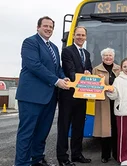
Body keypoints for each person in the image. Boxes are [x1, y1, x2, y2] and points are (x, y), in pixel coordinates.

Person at [15, 16, 69, 166]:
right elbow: (34, 65)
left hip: (49, 97)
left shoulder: (54, 47)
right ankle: (22, 163)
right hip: (31, 96)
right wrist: (57, 81)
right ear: (38, 27)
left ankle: (37, 159)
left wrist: (64, 78)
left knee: (42, 131)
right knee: (27, 132)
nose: (48, 29)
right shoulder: (30, 42)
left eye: (51, 27)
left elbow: (57, 68)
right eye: (45, 26)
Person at [56, 26, 92, 166]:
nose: (80, 37)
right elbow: (70, 70)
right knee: (64, 128)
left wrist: (88, 72)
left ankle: (77, 155)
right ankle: (63, 158)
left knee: (79, 126)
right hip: (68, 95)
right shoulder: (67, 51)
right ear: (74, 36)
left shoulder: (87, 53)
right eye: (78, 35)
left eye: (83, 35)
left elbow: (88, 67)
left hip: (82, 95)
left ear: (85, 37)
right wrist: (82, 77)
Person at [92, 48, 120, 163]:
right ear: (102, 57)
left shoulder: (119, 69)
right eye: (105, 55)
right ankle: (105, 155)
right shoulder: (96, 70)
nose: (108, 57)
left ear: (113, 57)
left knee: (116, 129)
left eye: (110, 55)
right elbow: (92, 87)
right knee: (105, 130)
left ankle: (117, 154)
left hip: (117, 103)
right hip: (103, 103)